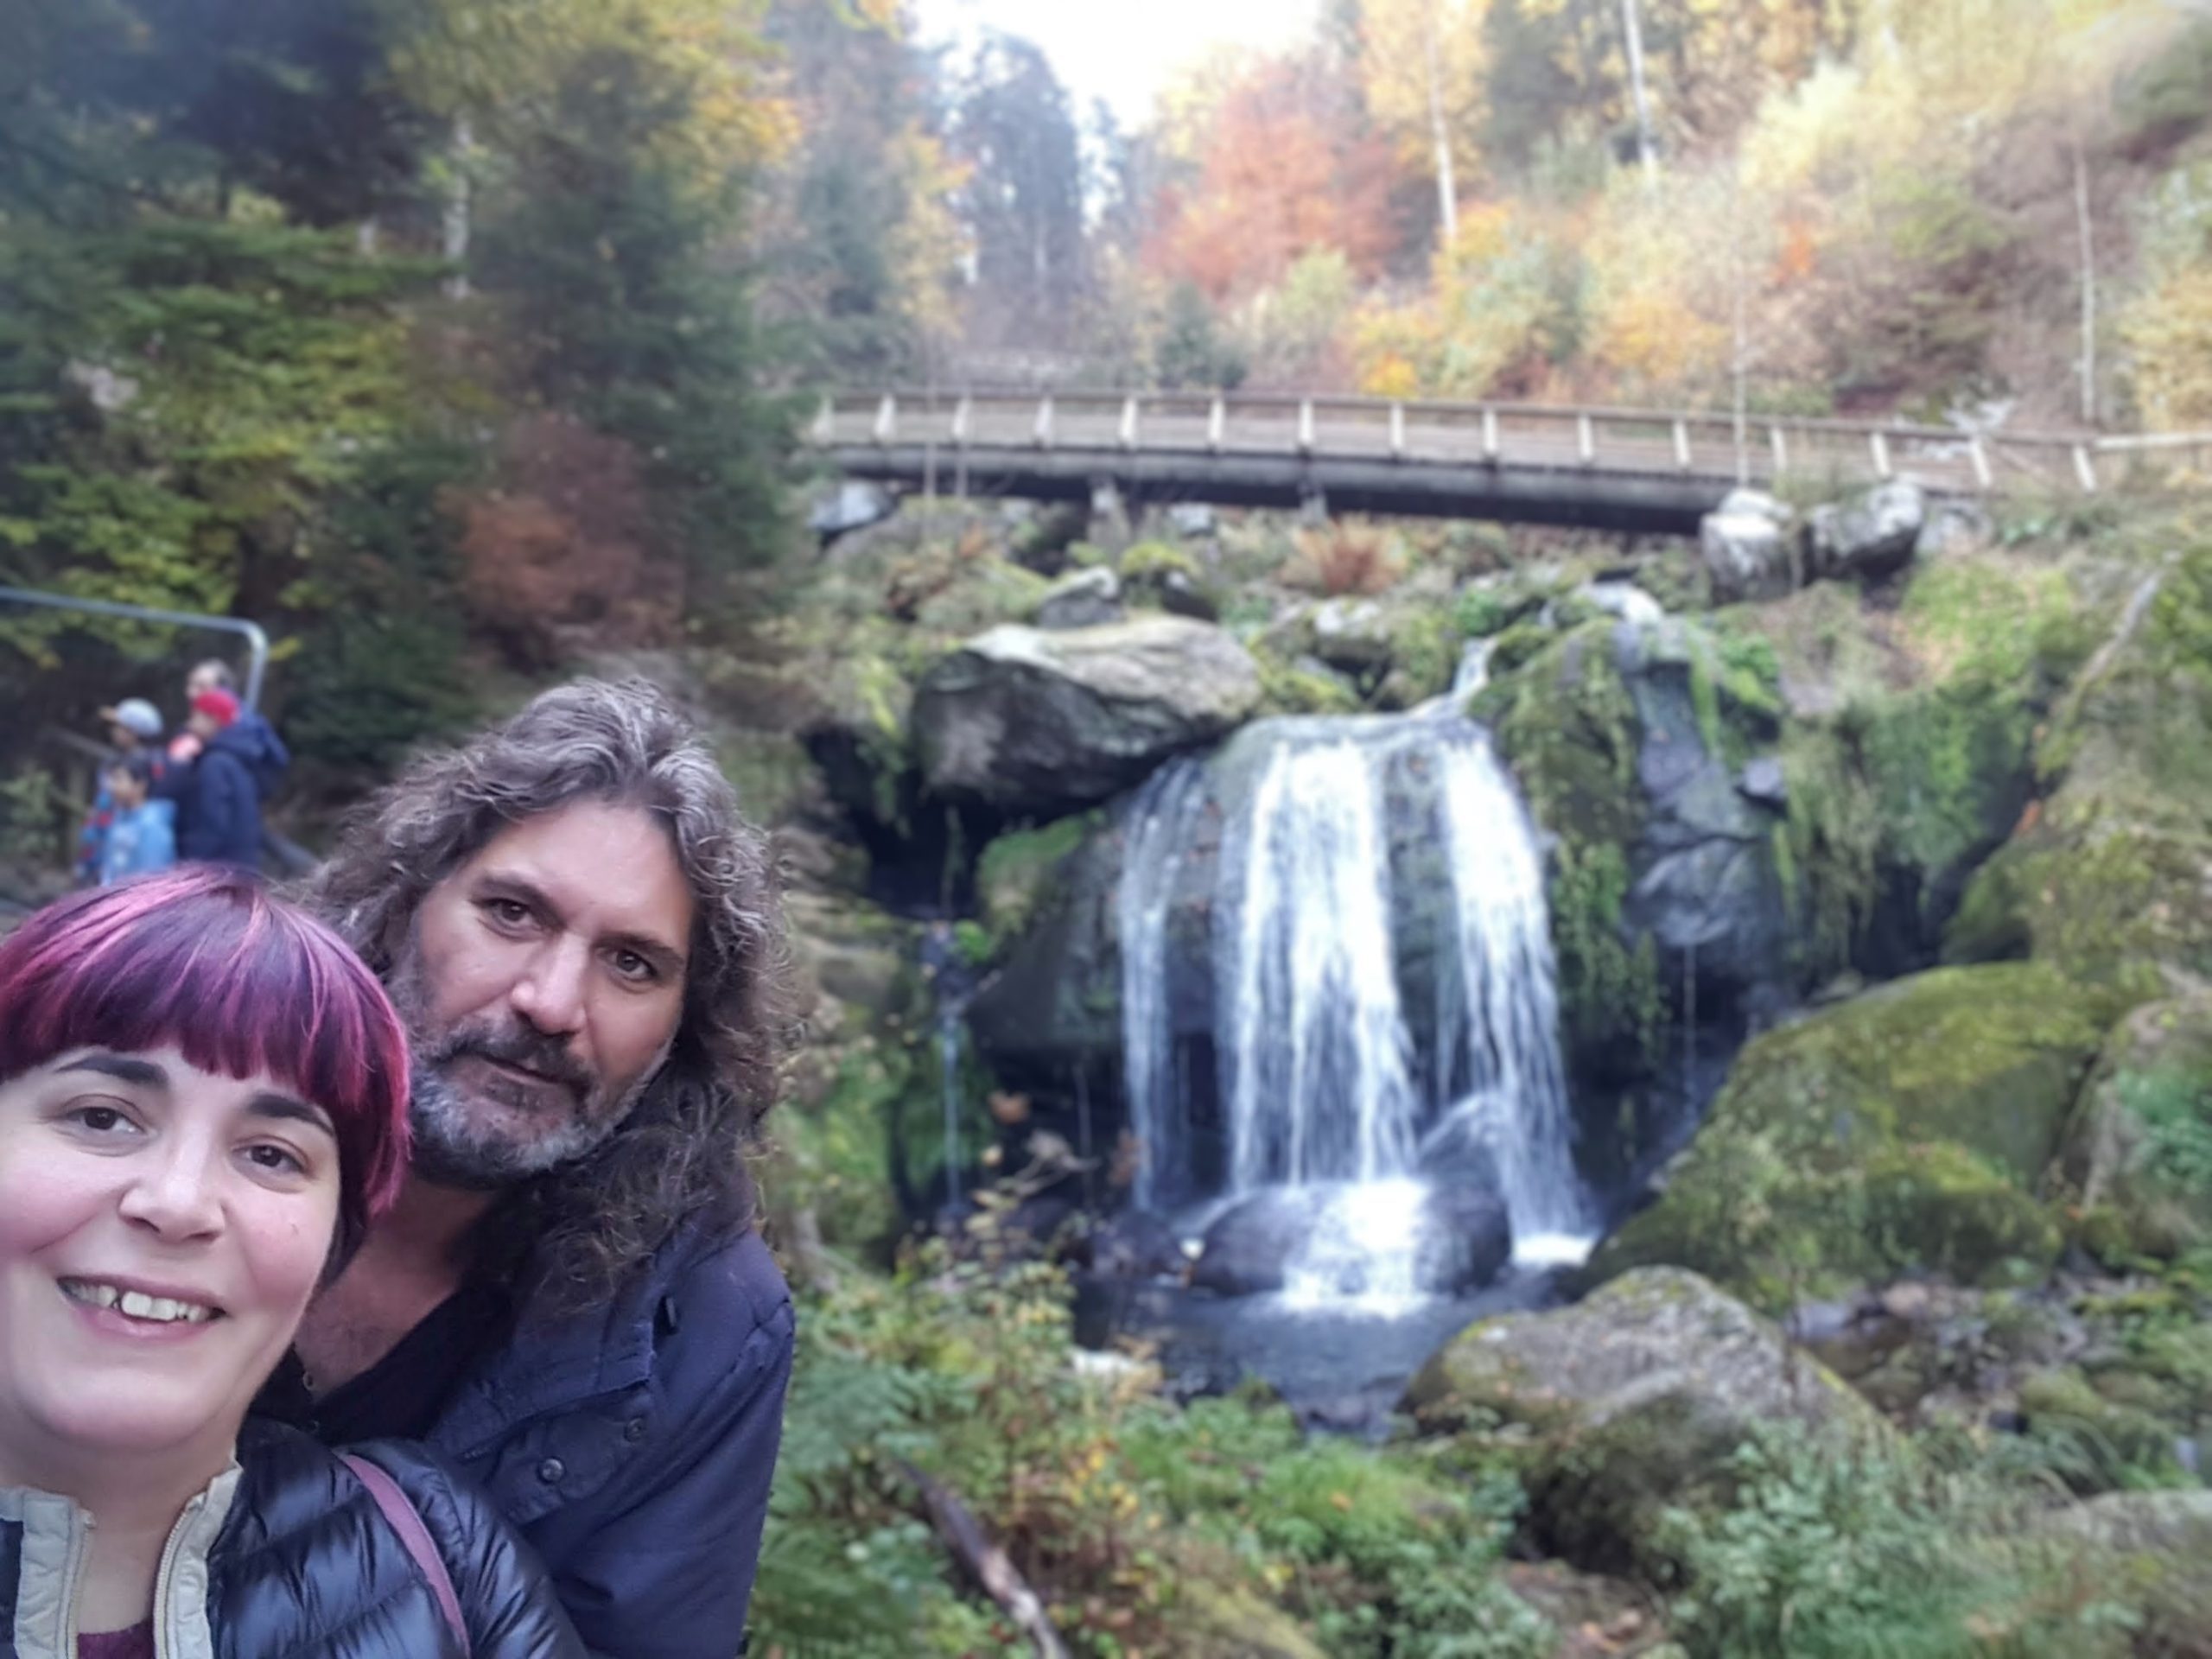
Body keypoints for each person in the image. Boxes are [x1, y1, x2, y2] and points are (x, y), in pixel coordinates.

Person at [281, 680, 798, 1659]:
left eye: (633, 965)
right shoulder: (172, 1131)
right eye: (512, 912)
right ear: (401, 907)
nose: (553, 1003)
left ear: (684, 1029)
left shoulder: (704, 1320)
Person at [0, 866, 588, 1658]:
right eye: (103, 1116)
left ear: (333, 1243)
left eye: (272, 1155)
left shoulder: (448, 1566)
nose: (177, 1204)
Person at [171, 688, 289, 869]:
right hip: (241, 869)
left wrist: (189, 865)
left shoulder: (214, 763)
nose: (190, 723)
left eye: (196, 716)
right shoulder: (239, 757)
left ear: (214, 719)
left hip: (219, 872)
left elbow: (211, 822)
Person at [73, 699, 164, 887]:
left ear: (135, 732)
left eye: (121, 727)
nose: (114, 731)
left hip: (115, 851)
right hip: (101, 842)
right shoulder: (117, 759)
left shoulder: (141, 767)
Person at [97, 753, 176, 884]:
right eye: (112, 779)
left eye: (118, 779)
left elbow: (152, 880)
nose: (112, 786)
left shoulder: (153, 826)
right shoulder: (119, 816)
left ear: (140, 785)